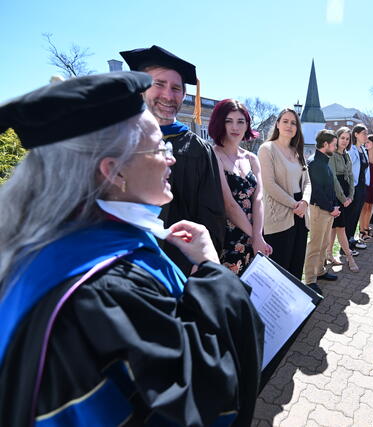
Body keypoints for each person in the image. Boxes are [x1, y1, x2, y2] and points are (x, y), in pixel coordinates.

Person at [0, 72, 264, 426]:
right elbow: (200, 400)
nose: (171, 158)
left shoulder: (46, 246)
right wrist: (213, 273)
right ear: (113, 173)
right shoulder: (109, 290)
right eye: (159, 148)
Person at [120, 45, 251, 275]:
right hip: (122, 264)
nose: (168, 96)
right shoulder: (116, 139)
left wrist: (199, 265)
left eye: (176, 88)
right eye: (158, 84)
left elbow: (211, 214)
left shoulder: (198, 150)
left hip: (178, 266)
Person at [209, 99, 271, 275]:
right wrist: (256, 238)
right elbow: (229, 204)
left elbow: (258, 199)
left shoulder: (252, 158)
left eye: (240, 121)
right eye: (229, 121)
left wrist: (258, 236)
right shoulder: (213, 155)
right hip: (228, 238)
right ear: (220, 123)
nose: (235, 127)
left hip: (254, 234)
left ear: (247, 125)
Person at [257, 108, 310, 280]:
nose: (289, 125)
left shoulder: (297, 151)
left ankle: (294, 306)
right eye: (285, 121)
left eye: (293, 122)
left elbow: (308, 182)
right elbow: (269, 184)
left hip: (300, 213)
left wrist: (305, 202)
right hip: (280, 214)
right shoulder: (267, 149)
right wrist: (294, 204)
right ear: (278, 124)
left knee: (296, 266)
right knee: (279, 269)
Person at [303, 130, 341, 295]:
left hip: (327, 210)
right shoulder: (315, 163)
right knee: (315, 245)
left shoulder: (323, 160)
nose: (335, 147)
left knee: (324, 244)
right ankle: (310, 280)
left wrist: (334, 206)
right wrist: (331, 208)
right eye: (333, 144)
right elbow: (317, 191)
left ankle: (320, 271)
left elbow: (329, 187)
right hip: (319, 210)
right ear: (325, 145)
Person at [326, 127, 359, 272]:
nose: (345, 141)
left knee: (334, 227)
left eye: (347, 138)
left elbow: (351, 177)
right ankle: (350, 257)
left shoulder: (347, 155)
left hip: (346, 196)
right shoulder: (332, 155)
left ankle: (328, 255)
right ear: (337, 138)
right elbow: (333, 178)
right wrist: (343, 198)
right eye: (342, 138)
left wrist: (351, 195)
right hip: (336, 195)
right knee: (341, 228)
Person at [346, 124, 370, 251]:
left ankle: (351, 238)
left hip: (361, 188)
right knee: (350, 215)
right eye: (364, 133)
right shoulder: (351, 150)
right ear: (356, 134)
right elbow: (348, 170)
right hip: (353, 188)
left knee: (356, 215)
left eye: (366, 133)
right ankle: (346, 245)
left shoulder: (363, 150)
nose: (366, 136)